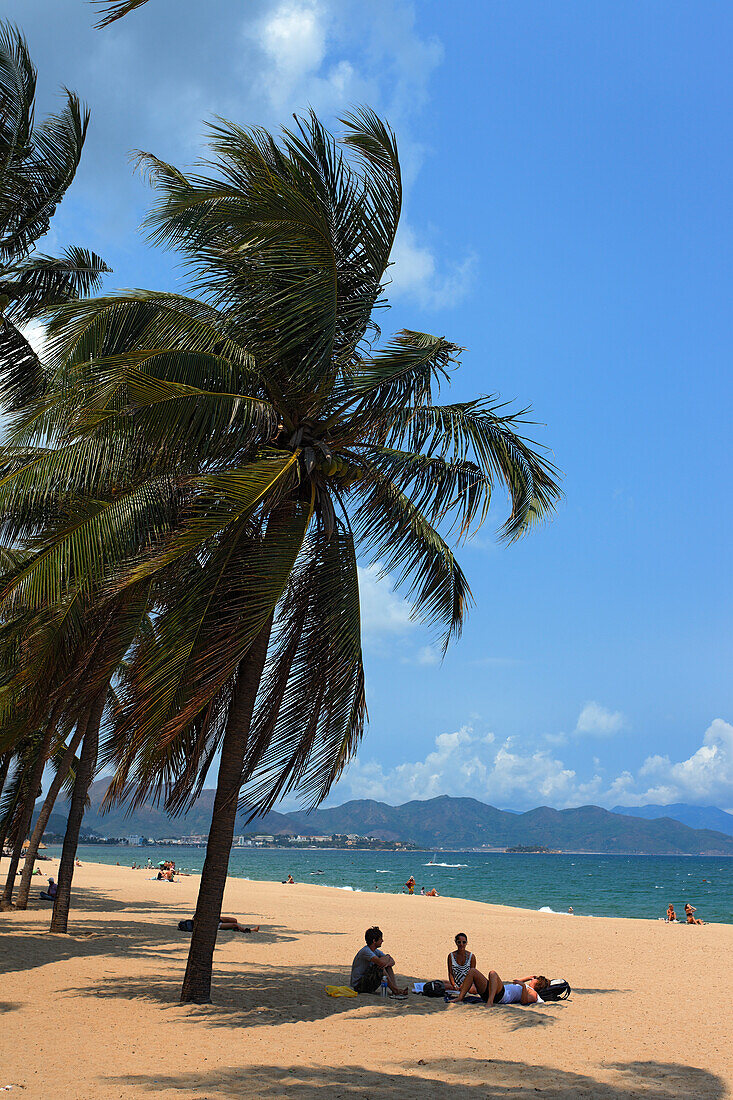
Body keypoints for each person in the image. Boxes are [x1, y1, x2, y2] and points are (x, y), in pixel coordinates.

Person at [350, 926, 407, 997]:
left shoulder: (375, 951)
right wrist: (387, 957)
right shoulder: (366, 951)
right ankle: (395, 990)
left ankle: (395, 989)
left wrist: (386, 962)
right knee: (379, 967)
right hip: (358, 986)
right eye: (380, 939)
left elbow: (392, 962)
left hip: (367, 981)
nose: (382, 941)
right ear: (374, 941)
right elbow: (381, 962)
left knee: (386, 966)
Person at [455, 966, 549, 1006]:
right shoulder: (526, 986)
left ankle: (490, 1002)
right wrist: (528, 977)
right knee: (472, 971)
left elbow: (524, 1001)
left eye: (534, 979)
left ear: (538, 983)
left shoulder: (534, 994)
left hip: (501, 995)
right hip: (493, 992)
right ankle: (460, 997)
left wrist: (524, 987)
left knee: (493, 973)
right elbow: (515, 981)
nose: (532, 979)